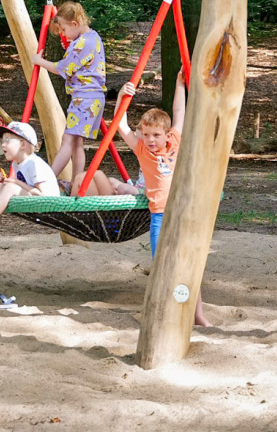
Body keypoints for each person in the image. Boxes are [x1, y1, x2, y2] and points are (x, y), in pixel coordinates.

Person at [73, 75, 208, 326]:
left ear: (167, 134)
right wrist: (123, 96)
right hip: (158, 216)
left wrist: (179, 84)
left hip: (182, 213)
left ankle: (198, 314)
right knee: (161, 266)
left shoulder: (175, 142)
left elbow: (179, 111)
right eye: (146, 134)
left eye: (156, 134)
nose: (151, 140)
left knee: (190, 263)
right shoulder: (142, 149)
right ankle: (163, 312)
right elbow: (120, 125)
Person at [30, 1, 105, 183]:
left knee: (68, 140)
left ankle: (46, 180)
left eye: (63, 30)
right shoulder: (92, 37)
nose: (64, 35)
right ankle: (76, 183)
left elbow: (62, 68)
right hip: (90, 97)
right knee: (77, 143)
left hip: (85, 99)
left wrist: (39, 61)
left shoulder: (82, 44)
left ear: (74, 24)